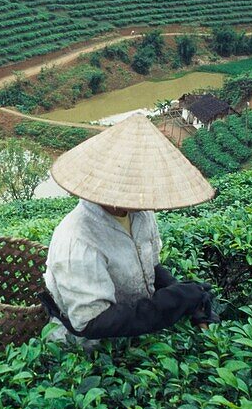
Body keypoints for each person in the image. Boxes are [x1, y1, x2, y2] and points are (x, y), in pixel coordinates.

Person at [41, 114, 219, 347]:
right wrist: (170, 303)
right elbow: (91, 322)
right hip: (92, 346)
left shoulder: (140, 213)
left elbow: (150, 266)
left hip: (137, 328)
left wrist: (182, 293)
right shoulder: (77, 240)